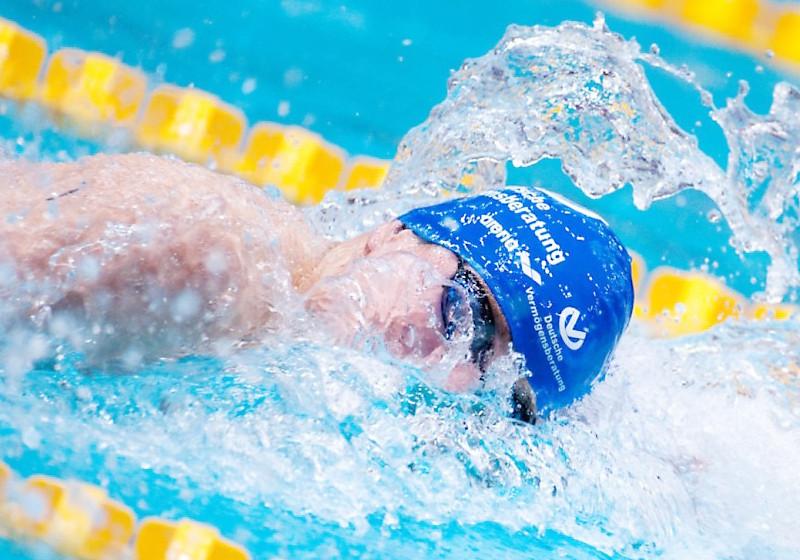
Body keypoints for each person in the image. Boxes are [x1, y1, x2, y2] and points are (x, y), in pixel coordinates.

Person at [0, 152, 634, 420]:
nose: (455, 381)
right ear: (393, 235)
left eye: (508, 396)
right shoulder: (203, 251)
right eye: (459, 311)